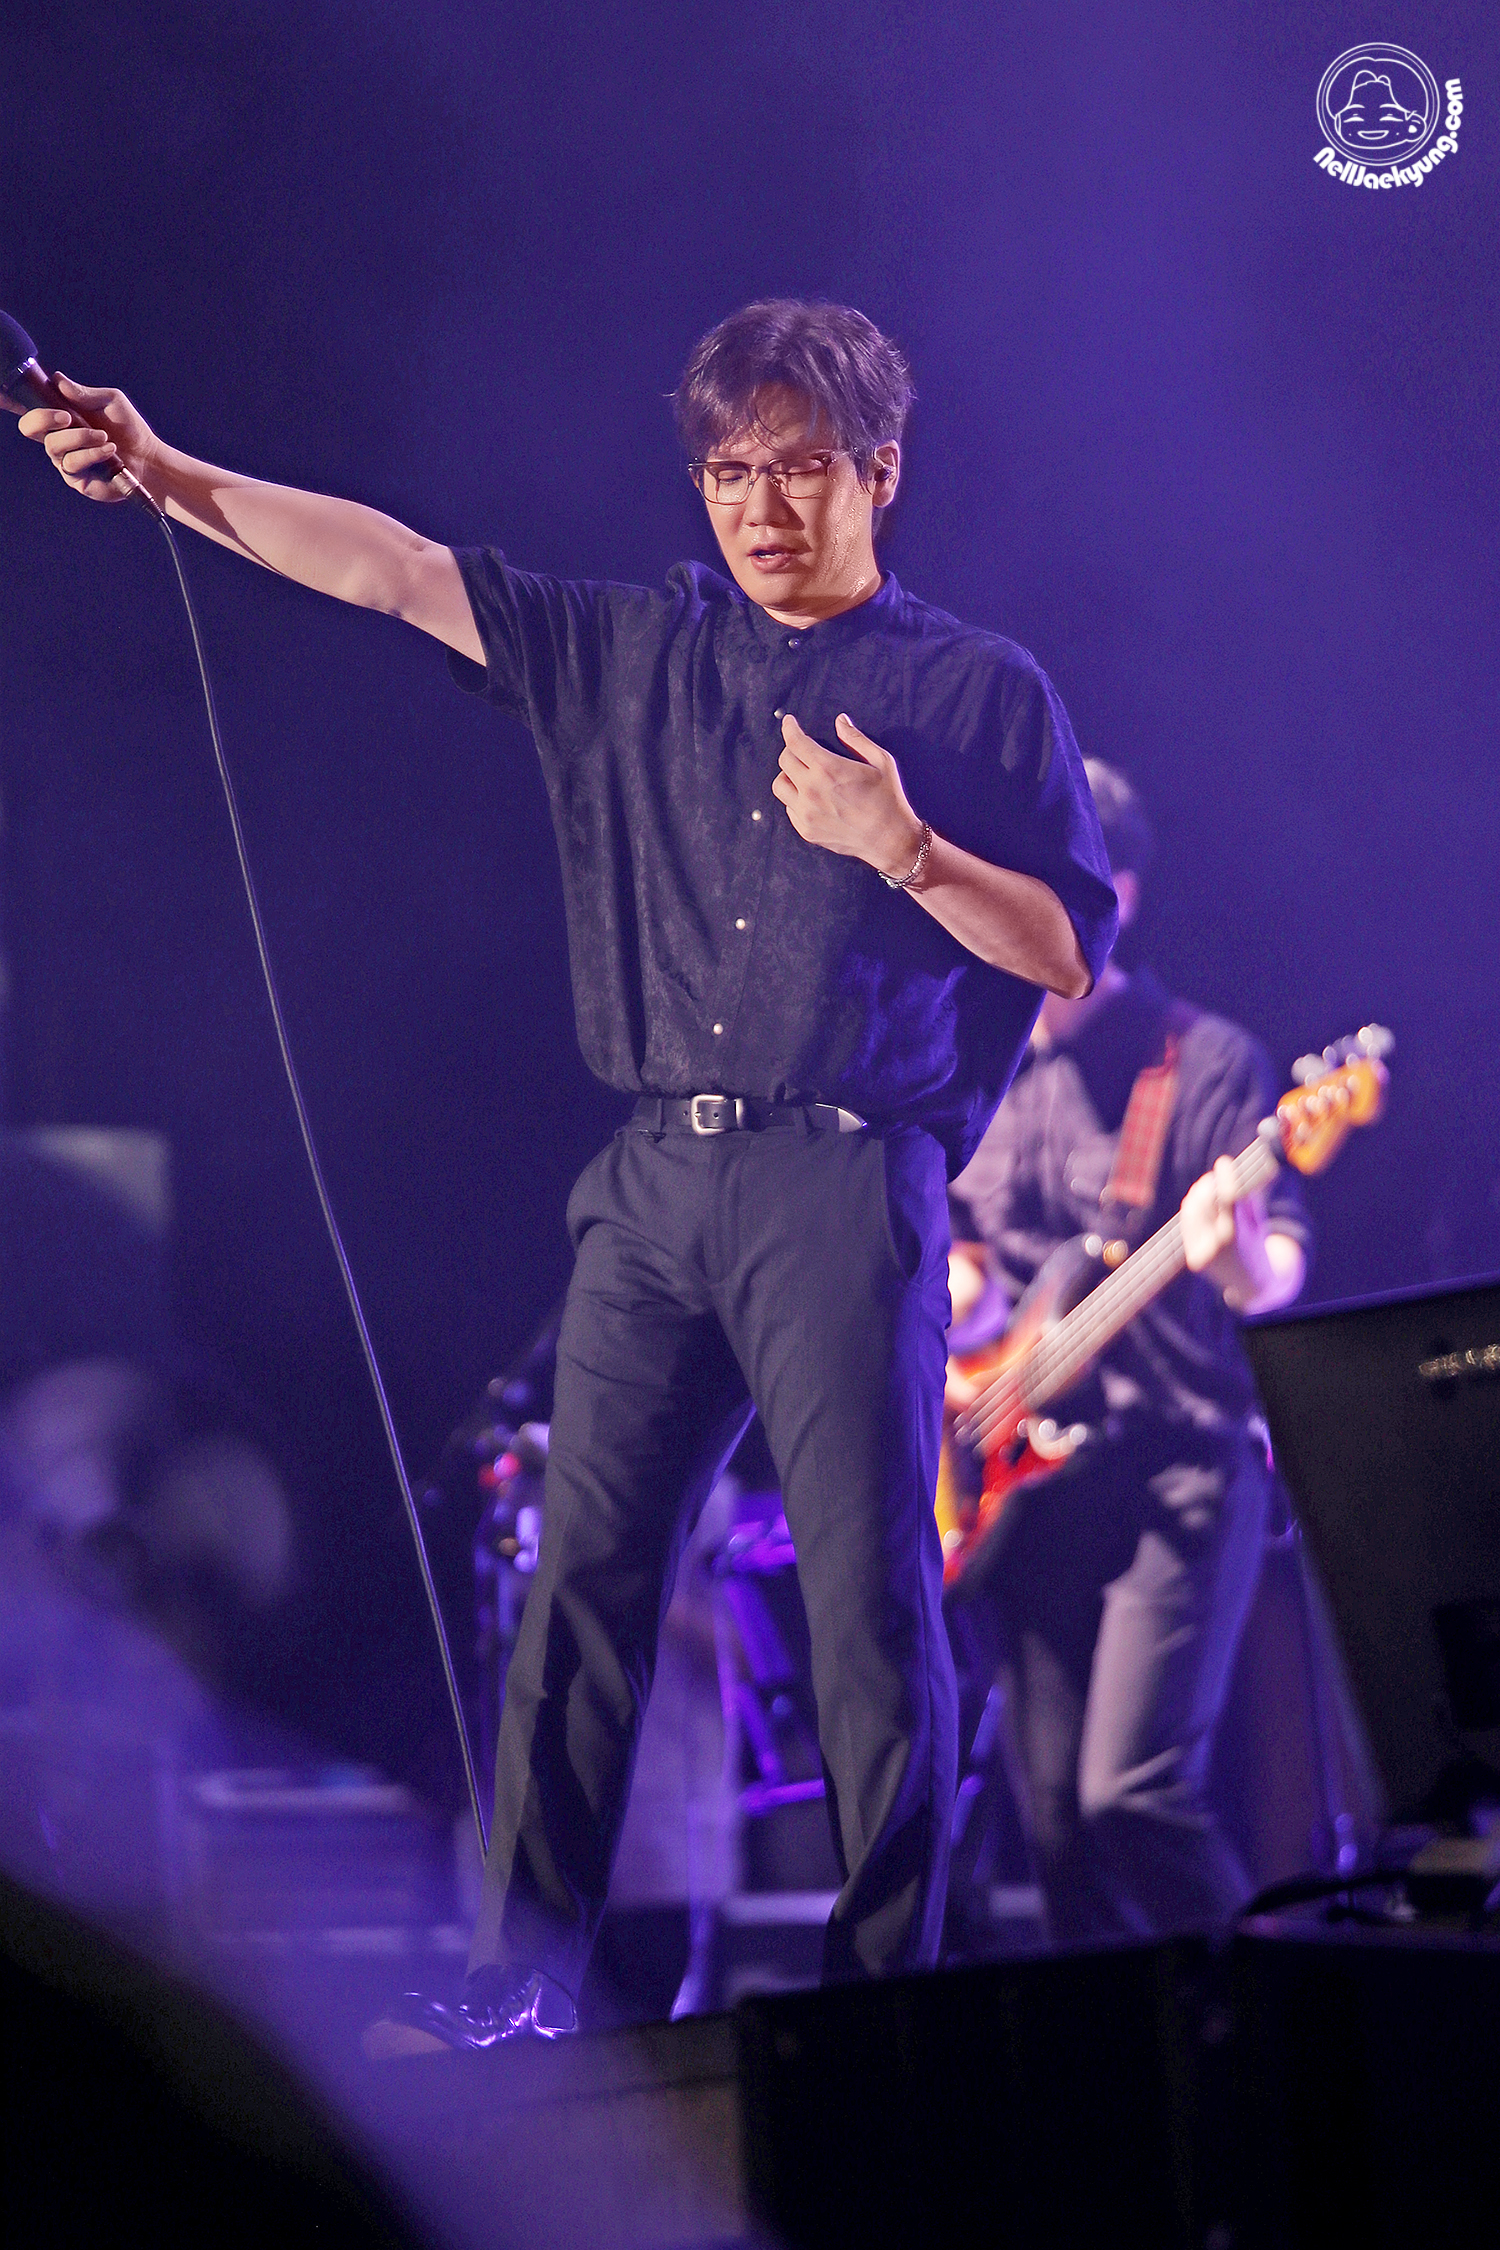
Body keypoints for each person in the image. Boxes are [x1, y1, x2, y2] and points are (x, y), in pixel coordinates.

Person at [19, 300, 1118, 2042]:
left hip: (842, 1183)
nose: (760, 507)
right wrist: (163, 472)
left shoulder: (978, 689)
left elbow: (1063, 949)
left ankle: (885, 1999)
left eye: (798, 469)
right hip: (652, 1185)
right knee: (577, 1595)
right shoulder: (634, 650)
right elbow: (390, 569)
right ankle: (518, 1980)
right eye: (729, 473)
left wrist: (905, 847)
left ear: (880, 474)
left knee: (865, 1611)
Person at [946, 761, 1308, 1944]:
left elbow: (1277, 1271)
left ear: (1121, 895)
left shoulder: (1205, 1060)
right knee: (1055, 1831)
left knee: (1133, 1797)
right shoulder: (983, 1066)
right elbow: (971, 1273)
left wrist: (1236, 1262)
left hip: (1181, 1474)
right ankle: (1131, 2059)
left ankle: (1274, 2017)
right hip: (1033, 1492)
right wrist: (946, 1320)